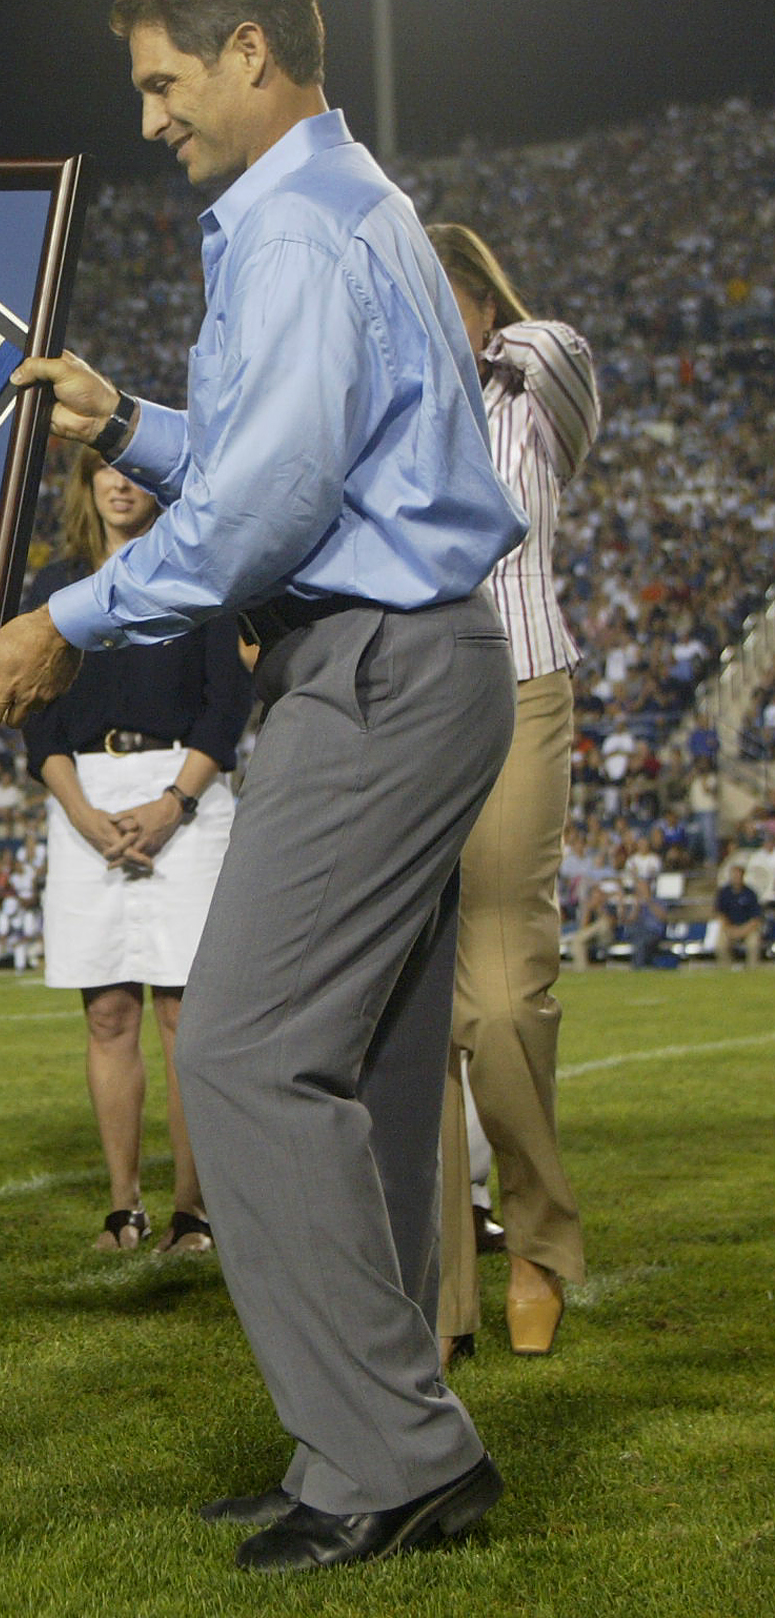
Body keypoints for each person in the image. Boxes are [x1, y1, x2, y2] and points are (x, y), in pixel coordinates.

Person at [0, 0, 526, 1572]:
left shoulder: (287, 227)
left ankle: (391, 1447)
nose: (150, 114)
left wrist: (75, 612)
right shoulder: (351, 206)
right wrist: (132, 424)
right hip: (417, 661)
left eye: (163, 78)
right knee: (366, 1069)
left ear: (254, 54)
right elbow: (301, 451)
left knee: (249, 1055)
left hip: (371, 669)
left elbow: (278, 500)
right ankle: (372, 1433)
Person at [426, 224, 596, 1364]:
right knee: (410, 1013)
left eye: (444, 300)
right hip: (405, 704)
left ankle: (533, 1238)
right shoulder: (371, 410)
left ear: (482, 302)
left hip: (523, 685)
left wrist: (465, 310)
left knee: (495, 995)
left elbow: (551, 345)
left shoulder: (531, 388)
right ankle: (437, 1294)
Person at [21, 445, 251, 1257]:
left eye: (138, 472)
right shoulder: (54, 591)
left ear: (163, 489)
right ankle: (124, 1210)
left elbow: (229, 705)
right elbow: (35, 720)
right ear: (88, 485)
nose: (121, 483)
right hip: (83, 796)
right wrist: (82, 812)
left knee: (186, 1017)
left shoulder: (202, 576)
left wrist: (174, 802)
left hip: (183, 797)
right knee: (109, 1013)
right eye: (105, 471)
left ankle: (195, 1213)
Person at [714, 861, 763, 967]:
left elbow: (756, 918)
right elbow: (720, 914)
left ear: (743, 876)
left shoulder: (750, 893)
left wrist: (742, 930)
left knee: (753, 944)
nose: (736, 877)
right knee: (720, 944)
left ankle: (752, 970)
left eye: (738, 875)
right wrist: (729, 929)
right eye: (733, 875)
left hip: (747, 928)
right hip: (730, 928)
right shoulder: (724, 892)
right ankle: (726, 970)